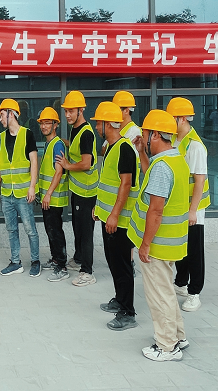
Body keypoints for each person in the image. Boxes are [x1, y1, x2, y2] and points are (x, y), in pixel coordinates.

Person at [128, 109, 190, 362]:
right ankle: (178, 336)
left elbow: (155, 210)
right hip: (171, 242)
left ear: (155, 134)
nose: (144, 138)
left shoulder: (163, 167)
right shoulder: (174, 160)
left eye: (146, 134)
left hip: (157, 244)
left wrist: (145, 245)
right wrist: (142, 152)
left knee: (159, 295)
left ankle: (166, 346)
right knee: (166, 291)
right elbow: (151, 180)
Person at [91, 102, 139, 331]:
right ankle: (120, 300)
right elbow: (108, 183)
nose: (96, 127)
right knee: (113, 262)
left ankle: (128, 312)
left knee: (122, 265)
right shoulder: (111, 147)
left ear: (107, 124)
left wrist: (114, 215)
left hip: (120, 221)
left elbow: (126, 184)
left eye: (98, 123)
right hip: (109, 217)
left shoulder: (125, 148)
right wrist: (99, 208)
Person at [167, 97, 210, 312]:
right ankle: (181, 283)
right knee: (181, 246)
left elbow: (199, 181)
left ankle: (195, 292)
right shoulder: (175, 140)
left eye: (172, 118)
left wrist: (193, 211)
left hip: (194, 207)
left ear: (182, 119)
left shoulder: (195, 146)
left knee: (194, 249)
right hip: (179, 205)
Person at [0, 98, 41, 277]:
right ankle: (15, 262)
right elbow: (1, 162)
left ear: (11, 114)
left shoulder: (27, 134)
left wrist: (32, 187)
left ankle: (35, 261)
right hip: (7, 193)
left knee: (30, 229)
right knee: (11, 229)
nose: (0, 119)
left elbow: (34, 162)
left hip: (23, 193)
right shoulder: (2, 137)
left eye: (2, 115)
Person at [55, 90, 98, 287]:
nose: (67, 115)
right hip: (78, 190)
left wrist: (67, 165)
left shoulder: (86, 133)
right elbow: (75, 147)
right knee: (78, 228)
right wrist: (61, 141)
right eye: (66, 111)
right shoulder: (76, 129)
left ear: (81, 110)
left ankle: (87, 271)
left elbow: (86, 163)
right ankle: (79, 258)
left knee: (85, 232)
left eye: (71, 111)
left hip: (87, 192)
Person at [111, 90, 142, 276]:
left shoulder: (133, 132)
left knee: (126, 229)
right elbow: (105, 149)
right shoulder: (120, 129)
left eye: (117, 109)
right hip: (117, 185)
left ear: (126, 110)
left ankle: (129, 264)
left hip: (127, 187)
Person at [37, 107, 69, 282]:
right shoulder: (50, 143)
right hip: (48, 198)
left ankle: (62, 266)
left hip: (54, 199)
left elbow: (58, 171)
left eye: (47, 123)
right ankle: (56, 259)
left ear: (55, 125)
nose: (44, 126)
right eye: (42, 123)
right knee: (50, 230)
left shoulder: (57, 144)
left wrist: (48, 194)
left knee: (56, 232)